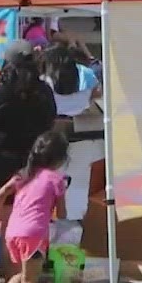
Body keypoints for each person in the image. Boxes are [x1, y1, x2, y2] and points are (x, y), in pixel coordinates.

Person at [0, 130, 70, 283]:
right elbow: (61, 213)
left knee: (24, 274)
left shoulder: (23, 175)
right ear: (61, 158)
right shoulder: (56, 179)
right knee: (31, 282)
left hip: (13, 231)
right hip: (33, 233)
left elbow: (0, 194)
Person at [0, 44, 59, 224]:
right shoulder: (44, 92)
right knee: (31, 213)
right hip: (35, 162)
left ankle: (3, 251)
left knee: (0, 215)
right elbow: (51, 122)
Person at [42, 43, 104, 221]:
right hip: (85, 145)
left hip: (53, 144)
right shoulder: (86, 93)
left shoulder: (45, 87)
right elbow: (96, 95)